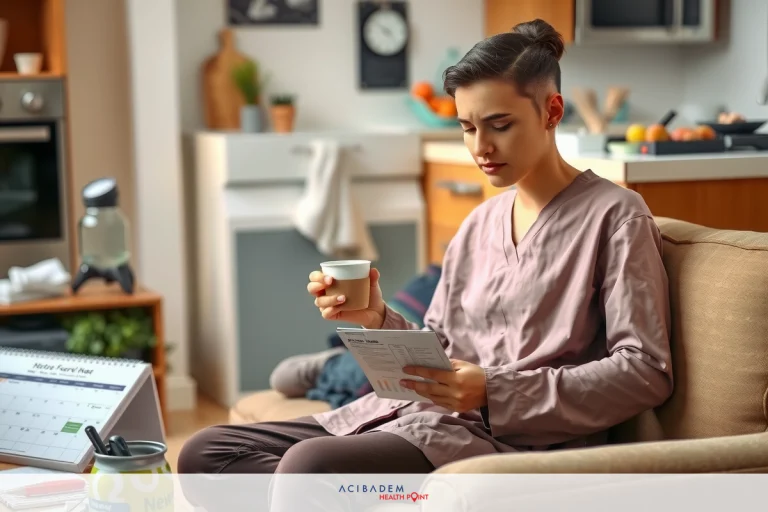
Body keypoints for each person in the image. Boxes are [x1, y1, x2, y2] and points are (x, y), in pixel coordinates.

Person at [178, 18, 673, 479]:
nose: (480, 147)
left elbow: (646, 372)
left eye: (499, 125)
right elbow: (439, 349)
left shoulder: (617, 216)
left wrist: (495, 391)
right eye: (467, 127)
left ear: (551, 111)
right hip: (415, 417)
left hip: (509, 445)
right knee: (206, 453)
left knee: (310, 467)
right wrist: (377, 318)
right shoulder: (480, 223)